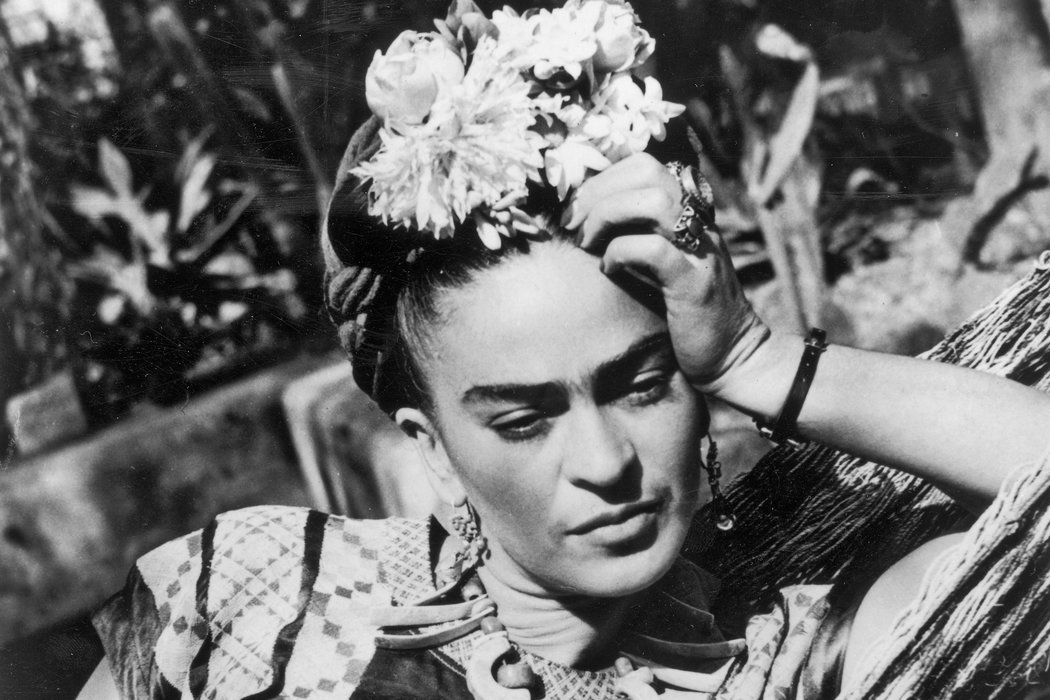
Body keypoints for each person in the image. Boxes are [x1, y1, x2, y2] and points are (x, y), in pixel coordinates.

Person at [79, 1, 1050, 698]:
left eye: (641, 386)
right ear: (432, 448)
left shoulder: (788, 667)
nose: (604, 463)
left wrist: (757, 358)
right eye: (523, 418)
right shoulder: (265, 595)